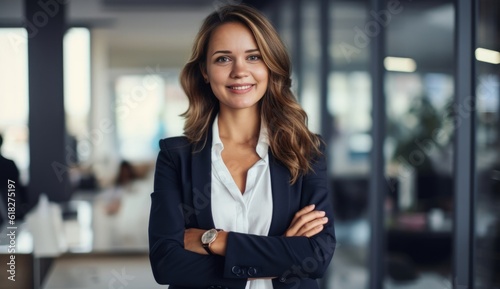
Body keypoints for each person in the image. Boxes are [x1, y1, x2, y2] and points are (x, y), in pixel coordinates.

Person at [148, 4, 336, 289]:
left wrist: (214, 240)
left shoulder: (306, 150)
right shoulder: (176, 158)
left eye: (254, 57)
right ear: (205, 72)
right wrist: (281, 252)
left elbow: (317, 256)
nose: (239, 71)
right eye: (223, 59)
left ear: (271, 66)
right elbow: (166, 264)